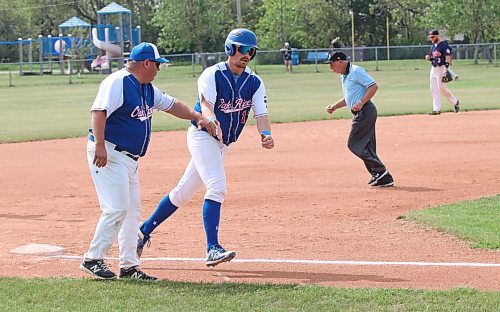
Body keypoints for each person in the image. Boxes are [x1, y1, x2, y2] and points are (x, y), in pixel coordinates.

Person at [136, 28, 275, 267]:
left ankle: (142, 231)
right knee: (217, 187)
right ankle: (212, 248)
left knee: (182, 194)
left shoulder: (255, 82)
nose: (247, 55)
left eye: (251, 51)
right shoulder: (212, 75)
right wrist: (210, 120)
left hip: (223, 143)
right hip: (203, 136)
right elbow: (205, 104)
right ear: (230, 49)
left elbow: (261, 115)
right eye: (242, 49)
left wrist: (266, 133)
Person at [80, 42, 216, 280]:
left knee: (132, 213)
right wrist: (100, 145)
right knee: (117, 208)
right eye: (157, 64)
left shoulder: (146, 88)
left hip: (130, 159)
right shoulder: (118, 82)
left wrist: (197, 117)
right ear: (145, 63)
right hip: (110, 154)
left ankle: (129, 267)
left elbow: (172, 105)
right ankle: (93, 258)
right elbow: (98, 112)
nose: (158, 69)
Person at [325, 50, 394, 187]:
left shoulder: (356, 71)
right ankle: (380, 176)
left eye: (332, 64)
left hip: (366, 111)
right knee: (368, 146)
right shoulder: (344, 75)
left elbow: (373, 86)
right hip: (362, 112)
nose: (331, 68)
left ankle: (381, 172)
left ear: (340, 61)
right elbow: (349, 97)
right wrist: (335, 106)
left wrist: (361, 102)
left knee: (354, 143)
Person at [425, 29, 460, 115]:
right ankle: (436, 109)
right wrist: (429, 58)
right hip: (434, 68)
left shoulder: (444, 45)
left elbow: (448, 56)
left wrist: (446, 70)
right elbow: (435, 57)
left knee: (442, 89)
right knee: (433, 88)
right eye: (430, 37)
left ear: (438, 35)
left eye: (433, 37)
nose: (431, 39)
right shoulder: (433, 46)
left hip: (442, 68)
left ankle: (455, 102)